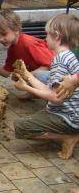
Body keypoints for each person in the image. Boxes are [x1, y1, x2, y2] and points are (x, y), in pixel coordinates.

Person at [12, 14, 79, 160]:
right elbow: (50, 89)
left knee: (22, 126)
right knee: (35, 118)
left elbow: (55, 98)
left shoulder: (60, 60)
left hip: (69, 117)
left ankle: (68, 137)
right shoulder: (69, 56)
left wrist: (26, 88)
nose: (45, 38)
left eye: (47, 34)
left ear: (56, 35)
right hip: (72, 113)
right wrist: (27, 75)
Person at [0, 9, 55, 100]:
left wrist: (27, 75)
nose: (1, 39)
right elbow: (6, 72)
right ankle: (35, 93)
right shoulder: (12, 49)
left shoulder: (28, 43)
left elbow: (50, 63)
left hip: (58, 74)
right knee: (20, 78)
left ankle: (48, 102)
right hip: (44, 75)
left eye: (4, 34)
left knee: (37, 75)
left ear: (16, 30)